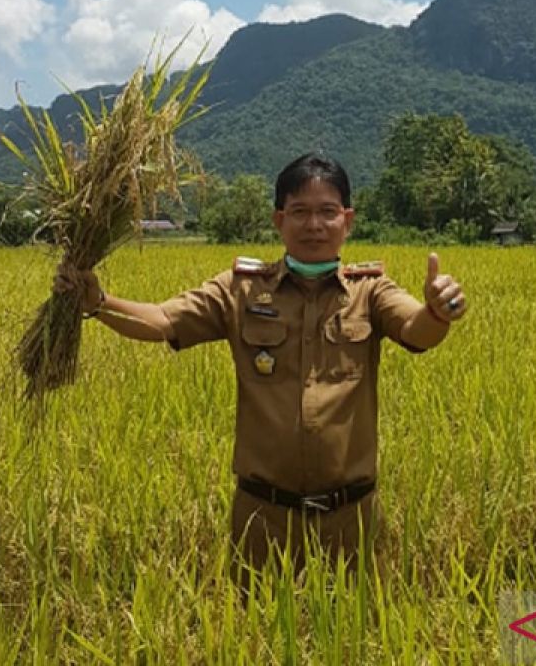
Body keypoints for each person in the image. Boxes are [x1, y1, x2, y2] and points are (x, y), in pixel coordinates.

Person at [53, 152, 466, 582]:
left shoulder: (371, 291)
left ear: (348, 220)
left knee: (351, 642)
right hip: (263, 519)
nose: (313, 225)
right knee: (254, 639)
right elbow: (161, 321)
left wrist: (438, 311)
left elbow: (417, 332)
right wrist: (98, 303)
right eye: (299, 212)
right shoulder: (240, 290)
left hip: (350, 518)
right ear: (278, 220)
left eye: (327, 212)